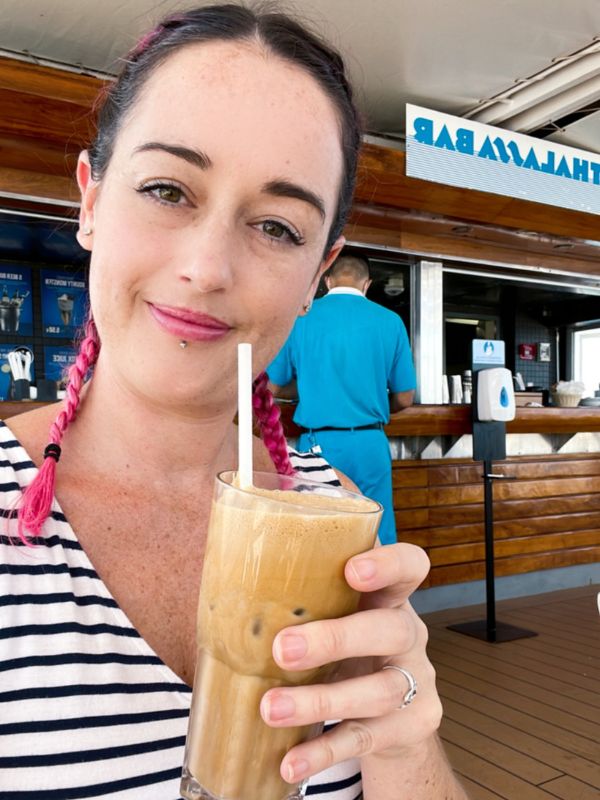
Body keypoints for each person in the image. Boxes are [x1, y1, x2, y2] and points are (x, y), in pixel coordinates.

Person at [0, 4, 468, 799]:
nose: (208, 267)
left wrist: (402, 742)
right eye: (165, 188)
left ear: (321, 269)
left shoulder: (333, 513)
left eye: (279, 228)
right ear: (90, 201)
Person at [268, 254, 416, 545]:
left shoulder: (301, 318)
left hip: (317, 445)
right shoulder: (390, 321)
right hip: (370, 443)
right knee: (375, 527)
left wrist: (312, 387)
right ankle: (376, 588)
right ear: (367, 284)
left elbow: (272, 387)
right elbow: (405, 397)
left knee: (317, 530)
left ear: (326, 280)